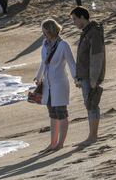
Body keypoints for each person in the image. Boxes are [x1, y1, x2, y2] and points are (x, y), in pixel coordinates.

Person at [34, 19, 77, 152]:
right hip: (47, 84)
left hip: (60, 83)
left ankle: (60, 143)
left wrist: (76, 79)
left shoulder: (63, 45)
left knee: (61, 113)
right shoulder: (45, 44)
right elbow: (43, 62)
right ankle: (52, 143)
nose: (44, 35)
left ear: (52, 31)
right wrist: (38, 76)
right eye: (43, 32)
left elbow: (71, 63)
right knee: (52, 113)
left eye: (46, 32)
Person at [70, 6, 106, 146]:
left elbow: (97, 57)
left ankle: (93, 136)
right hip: (85, 75)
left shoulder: (93, 32)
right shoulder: (87, 32)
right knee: (89, 104)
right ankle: (92, 135)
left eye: (74, 19)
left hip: (91, 76)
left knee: (92, 104)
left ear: (82, 17)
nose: (74, 23)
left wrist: (93, 79)